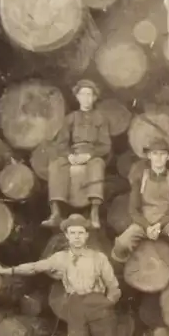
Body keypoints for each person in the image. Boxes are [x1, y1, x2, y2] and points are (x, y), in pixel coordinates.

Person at [111, 137, 169, 287]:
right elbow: (133, 209)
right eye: (155, 154)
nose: (158, 158)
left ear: (168, 157)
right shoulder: (141, 177)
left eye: (162, 154)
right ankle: (119, 271)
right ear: (149, 156)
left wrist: (160, 225)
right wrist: (147, 226)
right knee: (122, 242)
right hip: (144, 223)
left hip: (165, 222)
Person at [45, 79, 111, 230]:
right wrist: (69, 156)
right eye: (83, 94)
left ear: (94, 98)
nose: (86, 98)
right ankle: (55, 212)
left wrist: (89, 156)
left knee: (97, 165)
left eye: (89, 95)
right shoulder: (70, 118)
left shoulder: (101, 119)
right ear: (77, 97)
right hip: (73, 154)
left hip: (92, 155)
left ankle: (94, 213)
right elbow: (61, 143)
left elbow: (105, 145)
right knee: (56, 165)